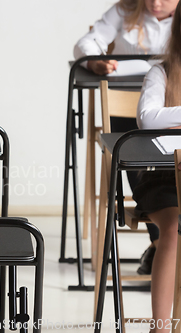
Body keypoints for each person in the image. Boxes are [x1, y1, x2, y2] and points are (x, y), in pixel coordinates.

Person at [74, 0, 179, 274]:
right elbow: (87, 43)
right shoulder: (126, 9)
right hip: (127, 107)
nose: (155, 3)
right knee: (134, 150)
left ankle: (166, 246)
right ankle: (159, 244)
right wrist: (96, 61)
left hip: (171, 105)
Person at [135, 2, 181, 330]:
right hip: (163, 174)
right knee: (174, 228)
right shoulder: (161, 70)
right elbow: (147, 118)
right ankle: (161, 326)